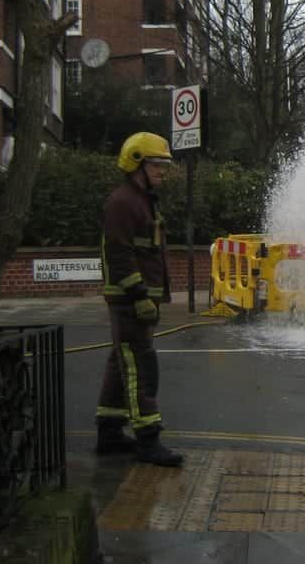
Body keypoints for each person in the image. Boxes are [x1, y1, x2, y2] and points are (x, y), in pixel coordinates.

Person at [95, 132, 183, 467]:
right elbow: (118, 254)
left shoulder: (142, 199)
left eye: (164, 165)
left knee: (122, 363)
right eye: (157, 164)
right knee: (140, 367)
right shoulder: (123, 202)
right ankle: (148, 440)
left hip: (140, 299)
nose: (163, 171)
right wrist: (139, 295)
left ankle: (110, 432)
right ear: (136, 163)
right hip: (132, 301)